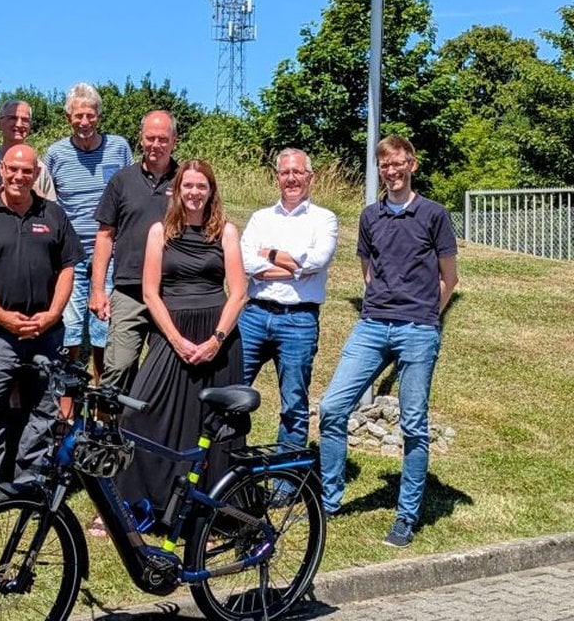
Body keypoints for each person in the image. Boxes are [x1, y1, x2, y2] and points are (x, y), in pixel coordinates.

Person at [318, 134, 458, 548]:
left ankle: (406, 516)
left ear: (412, 164)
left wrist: (427, 315)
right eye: (385, 165)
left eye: (398, 163)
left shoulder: (433, 214)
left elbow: (449, 277)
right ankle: (328, 501)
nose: (392, 171)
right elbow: (368, 271)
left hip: (417, 329)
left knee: (413, 424)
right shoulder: (370, 216)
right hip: (373, 326)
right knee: (332, 408)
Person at [115, 159, 247, 522]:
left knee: (214, 425)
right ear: (177, 190)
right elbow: (149, 292)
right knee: (140, 414)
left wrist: (216, 340)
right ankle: (140, 503)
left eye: (201, 186)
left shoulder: (226, 232)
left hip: (217, 337)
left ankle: (212, 512)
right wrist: (175, 339)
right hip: (171, 334)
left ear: (211, 191)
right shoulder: (160, 231)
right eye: (188, 185)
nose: (194, 192)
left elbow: (238, 292)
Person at [0, 144, 84, 497]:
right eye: (13, 169)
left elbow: (68, 268)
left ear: (36, 174)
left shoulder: (53, 215)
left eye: (27, 171)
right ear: (2, 170)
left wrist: (53, 314)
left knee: (43, 408)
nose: (19, 176)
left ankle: (31, 480)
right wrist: (3, 317)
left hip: (45, 332)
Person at [238, 149, 338, 449]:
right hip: (254, 316)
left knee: (294, 402)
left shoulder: (324, 219)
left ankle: (286, 471)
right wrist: (296, 270)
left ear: (310, 177)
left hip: (299, 320)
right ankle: (226, 461)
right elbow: (245, 262)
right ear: (277, 177)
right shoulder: (260, 218)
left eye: (297, 172)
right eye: (285, 173)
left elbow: (318, 260)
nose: (291, 178)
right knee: (232, 391)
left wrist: (268, 253)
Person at [44, 83, 132, 382]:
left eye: (90, 115)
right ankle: (67, 396)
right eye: (78, 115)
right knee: (69, 327)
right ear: (68, 117)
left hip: (109, 252)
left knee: (103, 328)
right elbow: (47, 201)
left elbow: (131, 192)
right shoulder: (56, 154)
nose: (84, 122)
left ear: (99, 116)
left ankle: (101, 396)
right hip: (70, 253)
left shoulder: (118, 148)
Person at [89, 109, 179, 392]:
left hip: (172, 290)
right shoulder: (121, 180)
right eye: (150, 138)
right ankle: (108, 420)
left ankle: (150, 420)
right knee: (119, 367)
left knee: (165, 370)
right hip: (129, 289)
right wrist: (98, 290)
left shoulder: (185, 182)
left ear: (174, 141)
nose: (156, 145)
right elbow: (105, 236)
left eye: (162, 139)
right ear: (141, 138)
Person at [0, 98, 56, 200]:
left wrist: (36, 194)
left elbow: (50, 205)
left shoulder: (39, 168)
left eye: (25, 120)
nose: (19, 124)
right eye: (12, 118)